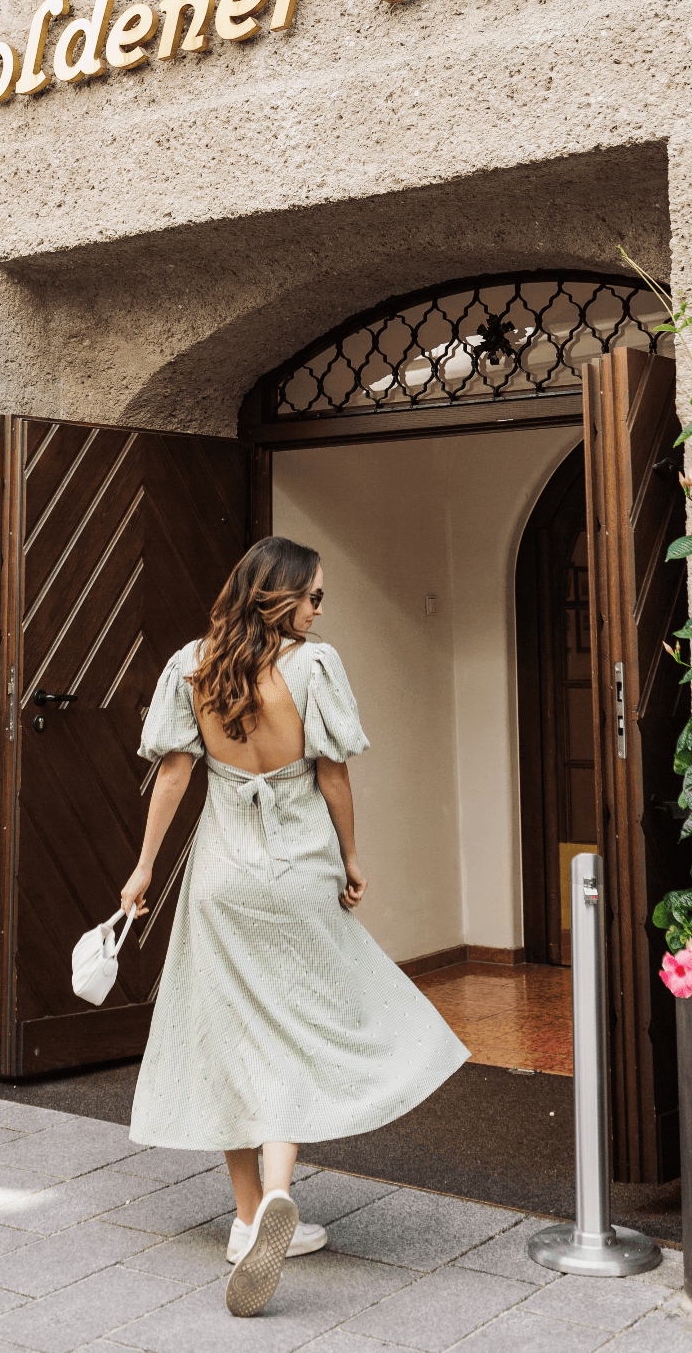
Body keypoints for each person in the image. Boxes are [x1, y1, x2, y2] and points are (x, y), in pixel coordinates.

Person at [121, 535, 469, 1317]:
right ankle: (279, 1194)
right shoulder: (312, 667)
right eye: (312, 596)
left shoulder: (191, 666)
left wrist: (144, 868)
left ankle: (249, 1221)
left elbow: (174, 772)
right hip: (298, 872)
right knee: (297, 1027)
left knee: (229, 1032)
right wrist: (351, 857)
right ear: (278, 597)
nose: (319, 609)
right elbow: (333, 774)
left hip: (220, 878)